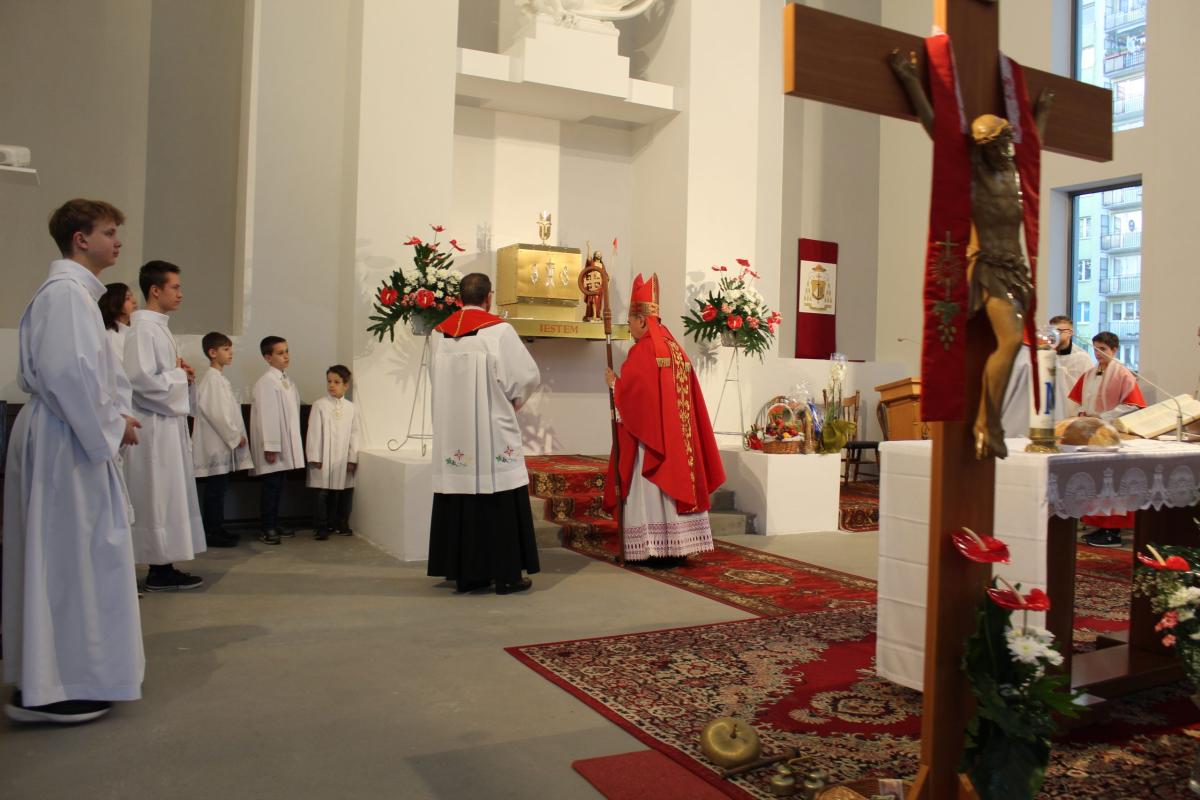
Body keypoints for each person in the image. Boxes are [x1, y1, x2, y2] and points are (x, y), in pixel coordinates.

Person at [3, 198, 143, 724]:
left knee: (71, 556)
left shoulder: (76, 294)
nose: (118, 241)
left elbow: (84, 376)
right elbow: (68, 375)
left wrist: (114, 417)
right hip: (68, 439)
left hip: (69, 432)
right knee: (68, 559)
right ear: (80, 239)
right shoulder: (66, 295)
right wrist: (112, 426)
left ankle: (56, 676)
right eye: (109, 232)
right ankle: (54, 687)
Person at [426, 273, 541, 594]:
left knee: (459, 495)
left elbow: (435, 378)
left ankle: (468, 575)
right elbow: (526, 377)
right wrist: (514, 403)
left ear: (458, 298)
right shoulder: (499, 331)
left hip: (454, 433)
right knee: (500, 496)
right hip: (492, 431)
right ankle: (507, 575)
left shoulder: (438, 334)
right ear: (488, 298)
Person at [603, 273, 726, 564]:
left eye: (631, 322)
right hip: (679, 443)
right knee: (674, 487)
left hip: (652, 444)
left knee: (650, 493)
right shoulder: (675, 349)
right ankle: (678, 546)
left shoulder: (644, 350)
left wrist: (615, 384)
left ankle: (654, 549)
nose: (629, 328)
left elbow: (637, 399)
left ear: (642, 320)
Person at [123, 261, 207, 590]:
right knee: (157, 497)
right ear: (155, 290)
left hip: (167, 425)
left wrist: (181, 373)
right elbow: (140, 380)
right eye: (175, 287)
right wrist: (179, 376)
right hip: (153, 429)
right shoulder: (143, 329)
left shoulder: (158, 327)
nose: (181, 294)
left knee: (168, 496)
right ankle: (158, 568)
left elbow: (160, 375)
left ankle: (164, 563)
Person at [1070, 330, 1147, 548]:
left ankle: (1112, 531)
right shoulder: (1089, 374)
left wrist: (1103, 416)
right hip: (1090, 433)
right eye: (1095, 348)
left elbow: (1133, 405)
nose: (1098, 353)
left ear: (1114, 350)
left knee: (1111, 482)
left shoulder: (1123, 374)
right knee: (1094, 481)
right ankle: (1099, 525)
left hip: (1111, 435)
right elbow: (1077, 401)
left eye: (1103, 349)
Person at [192, 331, 253, 548]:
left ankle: (218, 528)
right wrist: (235, 436)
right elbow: (217, 414)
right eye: (226, 349)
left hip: (221, 443)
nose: (231, 353)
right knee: (215, 491)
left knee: (219, 489)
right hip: (215, 444)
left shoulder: (219, 379)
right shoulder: (212, 379)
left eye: (230, 349)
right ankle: (212, 531)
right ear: (212, 352)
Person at [250, 335, 303, 545]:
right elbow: (268, 416)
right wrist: (270, 446)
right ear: (267, 357)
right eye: (280, 353)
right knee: (271, 487)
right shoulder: (266, 382)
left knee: (279, 486)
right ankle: (267, 527)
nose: (286, 356)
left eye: (287, 351)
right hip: (273, 446)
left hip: (284, 445)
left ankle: (274, 522)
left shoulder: (286, 381)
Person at [306, 364, 362, 540]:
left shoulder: (351, 408)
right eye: (329, 381)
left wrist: (352, 458)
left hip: (342, 458)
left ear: (346, 385)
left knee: (342, 492)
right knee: (322, 493)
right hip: (323, 458)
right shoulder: (320, 405)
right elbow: (313, 432)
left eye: (336, 382)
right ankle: (321, 526)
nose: (331, 385)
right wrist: (314, 456)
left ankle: (340, 523)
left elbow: (354, 434)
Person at [1049, 315, 1094, 420]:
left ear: (1070, 332)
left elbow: (1089, 389)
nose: (1053, 335)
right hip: (1050, 409)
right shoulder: (1045, 355)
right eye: (1051, 332)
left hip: (1073, 412)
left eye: (1058, 331)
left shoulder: (1082, 357)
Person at [98, 281, 136, 364]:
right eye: (127, 298)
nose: (134, 301)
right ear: (114, 303)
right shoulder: (112, 338)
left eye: (132, 296)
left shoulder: (132, 331)